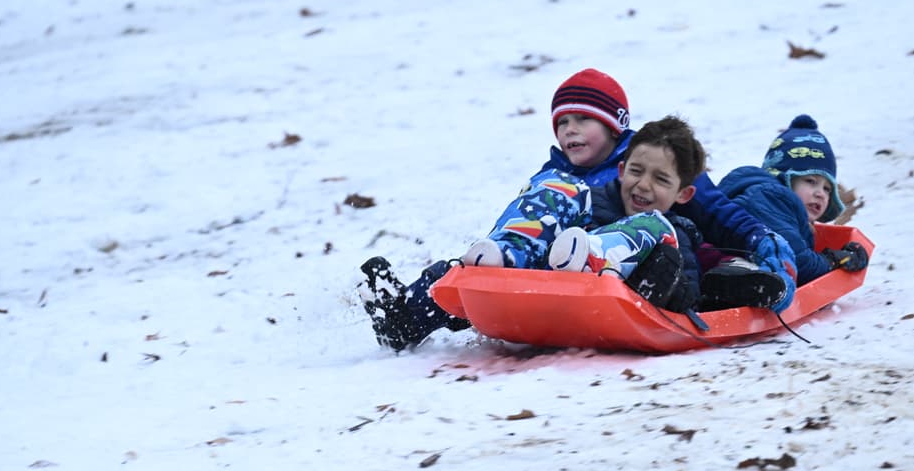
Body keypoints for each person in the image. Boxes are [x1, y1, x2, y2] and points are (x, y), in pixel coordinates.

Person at [359, 69, 798, 351]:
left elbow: (718, 212)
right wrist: (489, 261)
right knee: (459, 270)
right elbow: (523, 219)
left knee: (655, 237)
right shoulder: (554, 178)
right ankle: (403, 319)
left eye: (582, 120)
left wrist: (763, 241)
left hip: (620, 273)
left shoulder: (652, 164)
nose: (569, 130)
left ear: (615, 126)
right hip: (550, 275)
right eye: (562, 123)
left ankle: (586, 257)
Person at [546, 115, 706, 312]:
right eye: (636, 171)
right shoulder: (589, 202)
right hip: (557, 284)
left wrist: (664, 274)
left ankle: (595, 259)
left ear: (683, 193)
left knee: (656, 229)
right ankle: (508, 250)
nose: (644, 185)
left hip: (612, 306)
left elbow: (690, 299)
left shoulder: (676, 235)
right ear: (621, 171)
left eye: (661, 180)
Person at [713, 115, 868, 285]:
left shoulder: (779, 207)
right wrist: (832, 261)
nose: (820, 193)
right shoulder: (771, 199)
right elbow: (797, 265)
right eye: (810, 181)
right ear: (785, 180)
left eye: (827, 188)